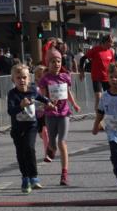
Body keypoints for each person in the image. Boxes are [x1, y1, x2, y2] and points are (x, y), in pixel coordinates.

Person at [38, 50, 81, 185]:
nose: (56, 64)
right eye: (53, 61)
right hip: (50, 114)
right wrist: (48, 104)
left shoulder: (65, 77)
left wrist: (74, 104)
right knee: (52, 144)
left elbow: (68, 92)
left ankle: (64, 174)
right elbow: (42, 97)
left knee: (62, 142)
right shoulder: (45, 79)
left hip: (64, 113)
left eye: (58, 61)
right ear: (48, 63)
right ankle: (50, 148)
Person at [7, 64, 51, 193]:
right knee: (21, 153)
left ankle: (34, 177)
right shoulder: (12, 94)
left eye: (24, 77)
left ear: (29, 78)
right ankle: (25, 178)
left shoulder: (32, 90)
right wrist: (20, 106)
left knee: (30, 148)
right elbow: (10, 111)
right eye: (18, 78)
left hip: (31, 126)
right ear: (13, 80)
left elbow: (41, 97)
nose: (22, 80)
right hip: (17, 128)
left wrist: (49, 102)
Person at [84, 35, 116, 109]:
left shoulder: (111, 52)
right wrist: (81, 71)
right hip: (97, 78)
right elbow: (83, 58)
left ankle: (108, 112)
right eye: (111, 43)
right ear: (106, 42)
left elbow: (113, 65)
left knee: (111, 96)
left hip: (107, 78)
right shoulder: (95, 49)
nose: (112, 45)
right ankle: (98, 115)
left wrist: (114, 75)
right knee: (98, 97)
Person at [33, 64, 52, 162]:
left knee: (45, 132)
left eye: (43, 75)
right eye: (39, 76)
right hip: (37, 114)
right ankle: (50, 145)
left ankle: (47, 154)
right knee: (41, 134)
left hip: (47, 113)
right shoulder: (33, 88)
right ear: (35, 77)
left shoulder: (48, 86)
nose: (41, 78)